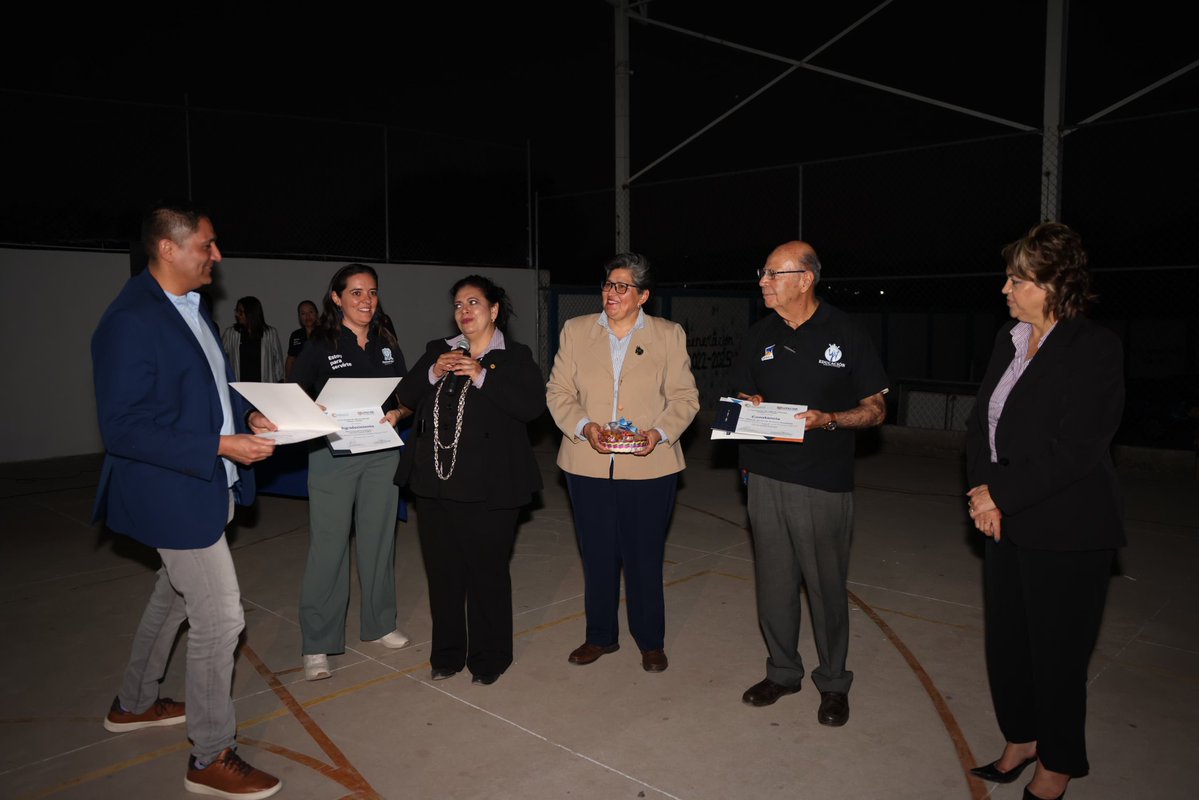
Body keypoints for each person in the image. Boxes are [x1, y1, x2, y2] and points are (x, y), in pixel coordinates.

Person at [92, 201, 282, 798]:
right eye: (208, 245)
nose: (217, 256)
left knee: (172, 596)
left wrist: (242, 413)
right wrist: (220, 443)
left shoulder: (188, 309)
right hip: (173, 490)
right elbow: (123, 427)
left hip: (201, 484)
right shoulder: (131, 320)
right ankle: (210, 755)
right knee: (222, 617)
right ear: (167, 248)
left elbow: (202, 384)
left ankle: (134, 702)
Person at [965, 222, 1125, 800]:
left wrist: (999, 494)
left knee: (1057, 654)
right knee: (1007, 643)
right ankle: (1021, 738)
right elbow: (981, 425)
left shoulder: (1095, 349)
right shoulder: (1009, 339)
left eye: (1017, 279)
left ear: (1054, 284)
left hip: (1068, 525)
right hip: (1003, 520)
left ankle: (1057, 764)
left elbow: (1077, 450)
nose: (1005, 289)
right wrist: (982, 494)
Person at [728, 240, 888, 727]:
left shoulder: (846, 332)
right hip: (764, 474)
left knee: (825, 586)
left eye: (773, 274)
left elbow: (876, 410)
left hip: (822, 480)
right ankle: (782, 671)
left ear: (805, 278)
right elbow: (738, 392)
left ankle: (834, 681)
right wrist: (747, 399)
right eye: (764, 273)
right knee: (774, 583)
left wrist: (830, 420)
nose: (763, 282)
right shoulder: (759, 335)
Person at [546, 252, 700, 673]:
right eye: (608, 284)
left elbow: (685, 398)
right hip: (587, 462)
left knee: (643, 555)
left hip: (649, 466)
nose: (611, 293)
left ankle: (650, 641)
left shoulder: (668, 335)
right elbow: (558, 391)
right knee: (596, 553)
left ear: (643, 295)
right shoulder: (576, 331)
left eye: (622, 286)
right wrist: (584, 427)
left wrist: (657, 434)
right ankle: (600, 636)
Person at [394, 275, 545, 686]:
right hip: (436, 484)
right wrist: (431, 372)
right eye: (459, 304)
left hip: (490, 488)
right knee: (443, 574)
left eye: (474, 303)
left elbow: (531, 406)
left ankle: (490, 657)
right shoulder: (437, 351)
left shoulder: (514, 356)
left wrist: (480, 374)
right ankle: (446, 654)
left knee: (486, 574)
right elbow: (405, 395)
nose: (464, 311)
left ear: (494, 310)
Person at [290, 264, 411, 681]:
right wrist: (314, 409)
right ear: (337, 298)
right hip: (332, 455)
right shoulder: (320, 344)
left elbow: (406, 395)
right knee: (329, 547)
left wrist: (398, 412)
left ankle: (380, 623)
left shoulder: (386, 342)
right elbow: (296, 394)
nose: (366, 300)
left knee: (379, 542)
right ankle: (318, 644)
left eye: (372, 292)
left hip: (381, 452)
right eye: (356, 292)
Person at [221, 296, 284, 383]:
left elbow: (278, 361)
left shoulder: (270, 333)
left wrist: (280, 381)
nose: (237, 315)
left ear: (250, 313)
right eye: (237, 311)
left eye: (240, 312)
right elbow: (220, 357)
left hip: (264, 387)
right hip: (239, 387)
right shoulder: (231, 333)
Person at [284, 299, 319, 380]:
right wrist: (288, 378)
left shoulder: (325, 332)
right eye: (303, 313)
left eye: (310, 312)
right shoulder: (296, 335)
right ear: (299, 317)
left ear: (316, 314)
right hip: (301, 378)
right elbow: (290, 359)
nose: (307, 316)